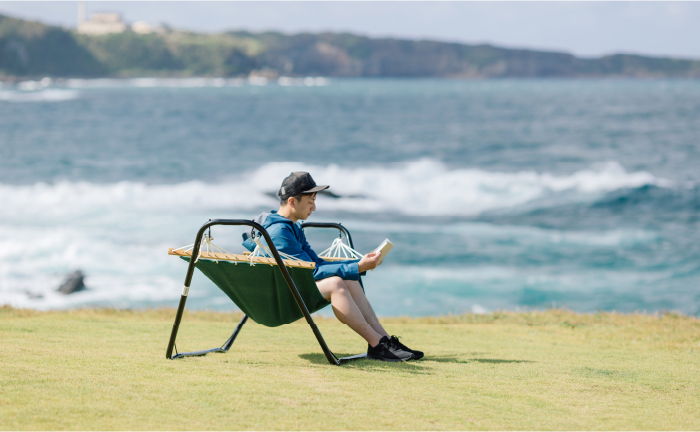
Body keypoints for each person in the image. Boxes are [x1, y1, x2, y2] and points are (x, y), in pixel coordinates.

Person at [246, 172, 424, 362]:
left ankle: (384, 340)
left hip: (295, 288)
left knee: (348, 279)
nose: (314, 207)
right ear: (292, 201)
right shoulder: (279, 232)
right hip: (285, 299)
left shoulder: (292, 228)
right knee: (336, 284)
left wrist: (358, 264)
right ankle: (377, 344)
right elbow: (311, 272)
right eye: (310, 201)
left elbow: (316, 264)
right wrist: (358, 267)